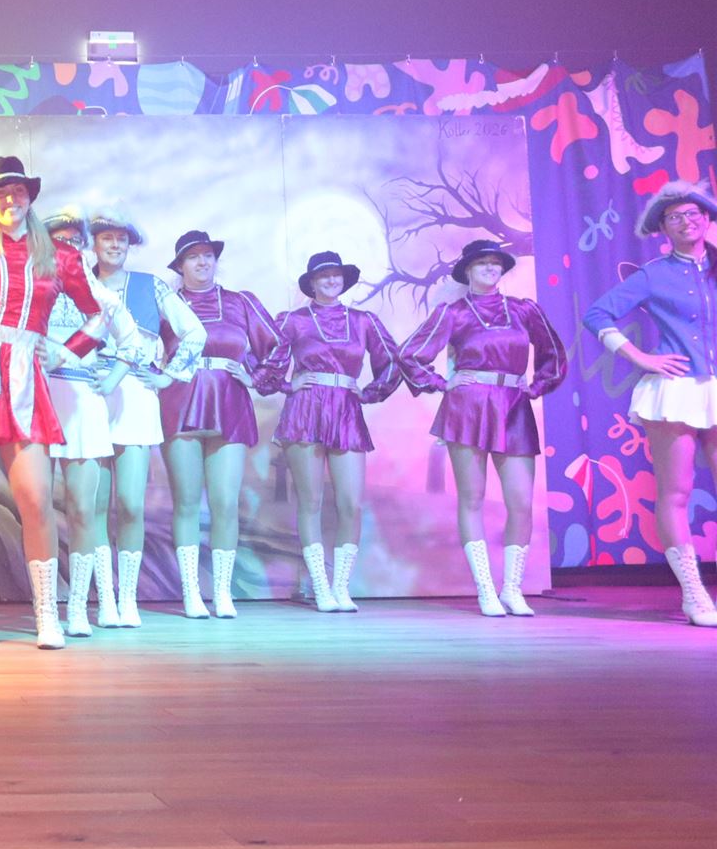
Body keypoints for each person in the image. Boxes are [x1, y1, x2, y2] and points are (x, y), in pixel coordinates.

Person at [0, 157, 150, 649]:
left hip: (26, 374)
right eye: (0, 193)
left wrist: (66, 352)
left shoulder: (59, 256)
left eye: (18, 192)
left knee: (34, 498)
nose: (11, 200)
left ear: (29, 198)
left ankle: (47, 613)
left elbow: (100, 314)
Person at [401, 239, 567, 616]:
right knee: (472, 498)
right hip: (469, 407)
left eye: (495, 263)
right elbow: (410, 355)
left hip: (513, 405)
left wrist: (537, 386)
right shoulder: (454, 313)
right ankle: (485, 589)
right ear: (468, 271)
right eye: (482, 263)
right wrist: (442, 383)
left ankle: (512, 588)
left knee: (521, 502)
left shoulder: (524, 309)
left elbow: (553, 353)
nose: (490, 268)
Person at [582, 182, 717, 627]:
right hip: (675, 390)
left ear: (706, 218)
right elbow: (596, 314)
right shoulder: (653, 274)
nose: (686, 221)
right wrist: (640, 357)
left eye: (693, 213)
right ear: (663, 227)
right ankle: (694, 594)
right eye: (674, 217)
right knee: (676, 492)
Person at [256, 251, 404, 612]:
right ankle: (320, 585)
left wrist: (369, 392)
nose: (331, 280)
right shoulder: (293, 320)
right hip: (305, 411)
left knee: (350, 503)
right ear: (312, 282)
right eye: (323, 275)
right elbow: (265, 365)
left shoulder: (363, 321)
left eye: (336, 274)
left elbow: (392, 362)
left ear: (344, 279)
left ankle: (341, 586)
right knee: (311, 502)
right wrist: (288, 384)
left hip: (346, 411)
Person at [84, 206, 205, 628]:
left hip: (135, 393)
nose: (115, 245)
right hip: (90, 392)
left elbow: (195, 331)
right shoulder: (78, 283)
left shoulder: (150, 286)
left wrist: (169, 375)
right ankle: (105, 600)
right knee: (93, 504)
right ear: (94, 243)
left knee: (131, 504)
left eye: (122, 239)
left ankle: (128, 598)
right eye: (107, 238)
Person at [160, 230, 282, 619]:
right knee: (186, 503)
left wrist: (255, 377)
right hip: (180, 403)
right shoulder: (165, 303)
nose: (202, 262)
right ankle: (191, 593)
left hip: (229, 403)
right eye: (193, 256)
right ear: (180, 266)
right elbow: (141, 346)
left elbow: (277, 347)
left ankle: (222, 592)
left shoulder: (240, 302)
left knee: (226, 503)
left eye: (208, 255)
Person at [39, 208, 123, 638]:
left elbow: (132, 342)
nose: (67, 247)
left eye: (75, 240)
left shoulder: (98, 292)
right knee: (36, 506)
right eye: (59, 239)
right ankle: (45, 607)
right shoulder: (32, 282)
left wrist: (110, 377)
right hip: (36, 397)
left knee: (83, 508)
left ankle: (78, 607)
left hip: (82, 400)